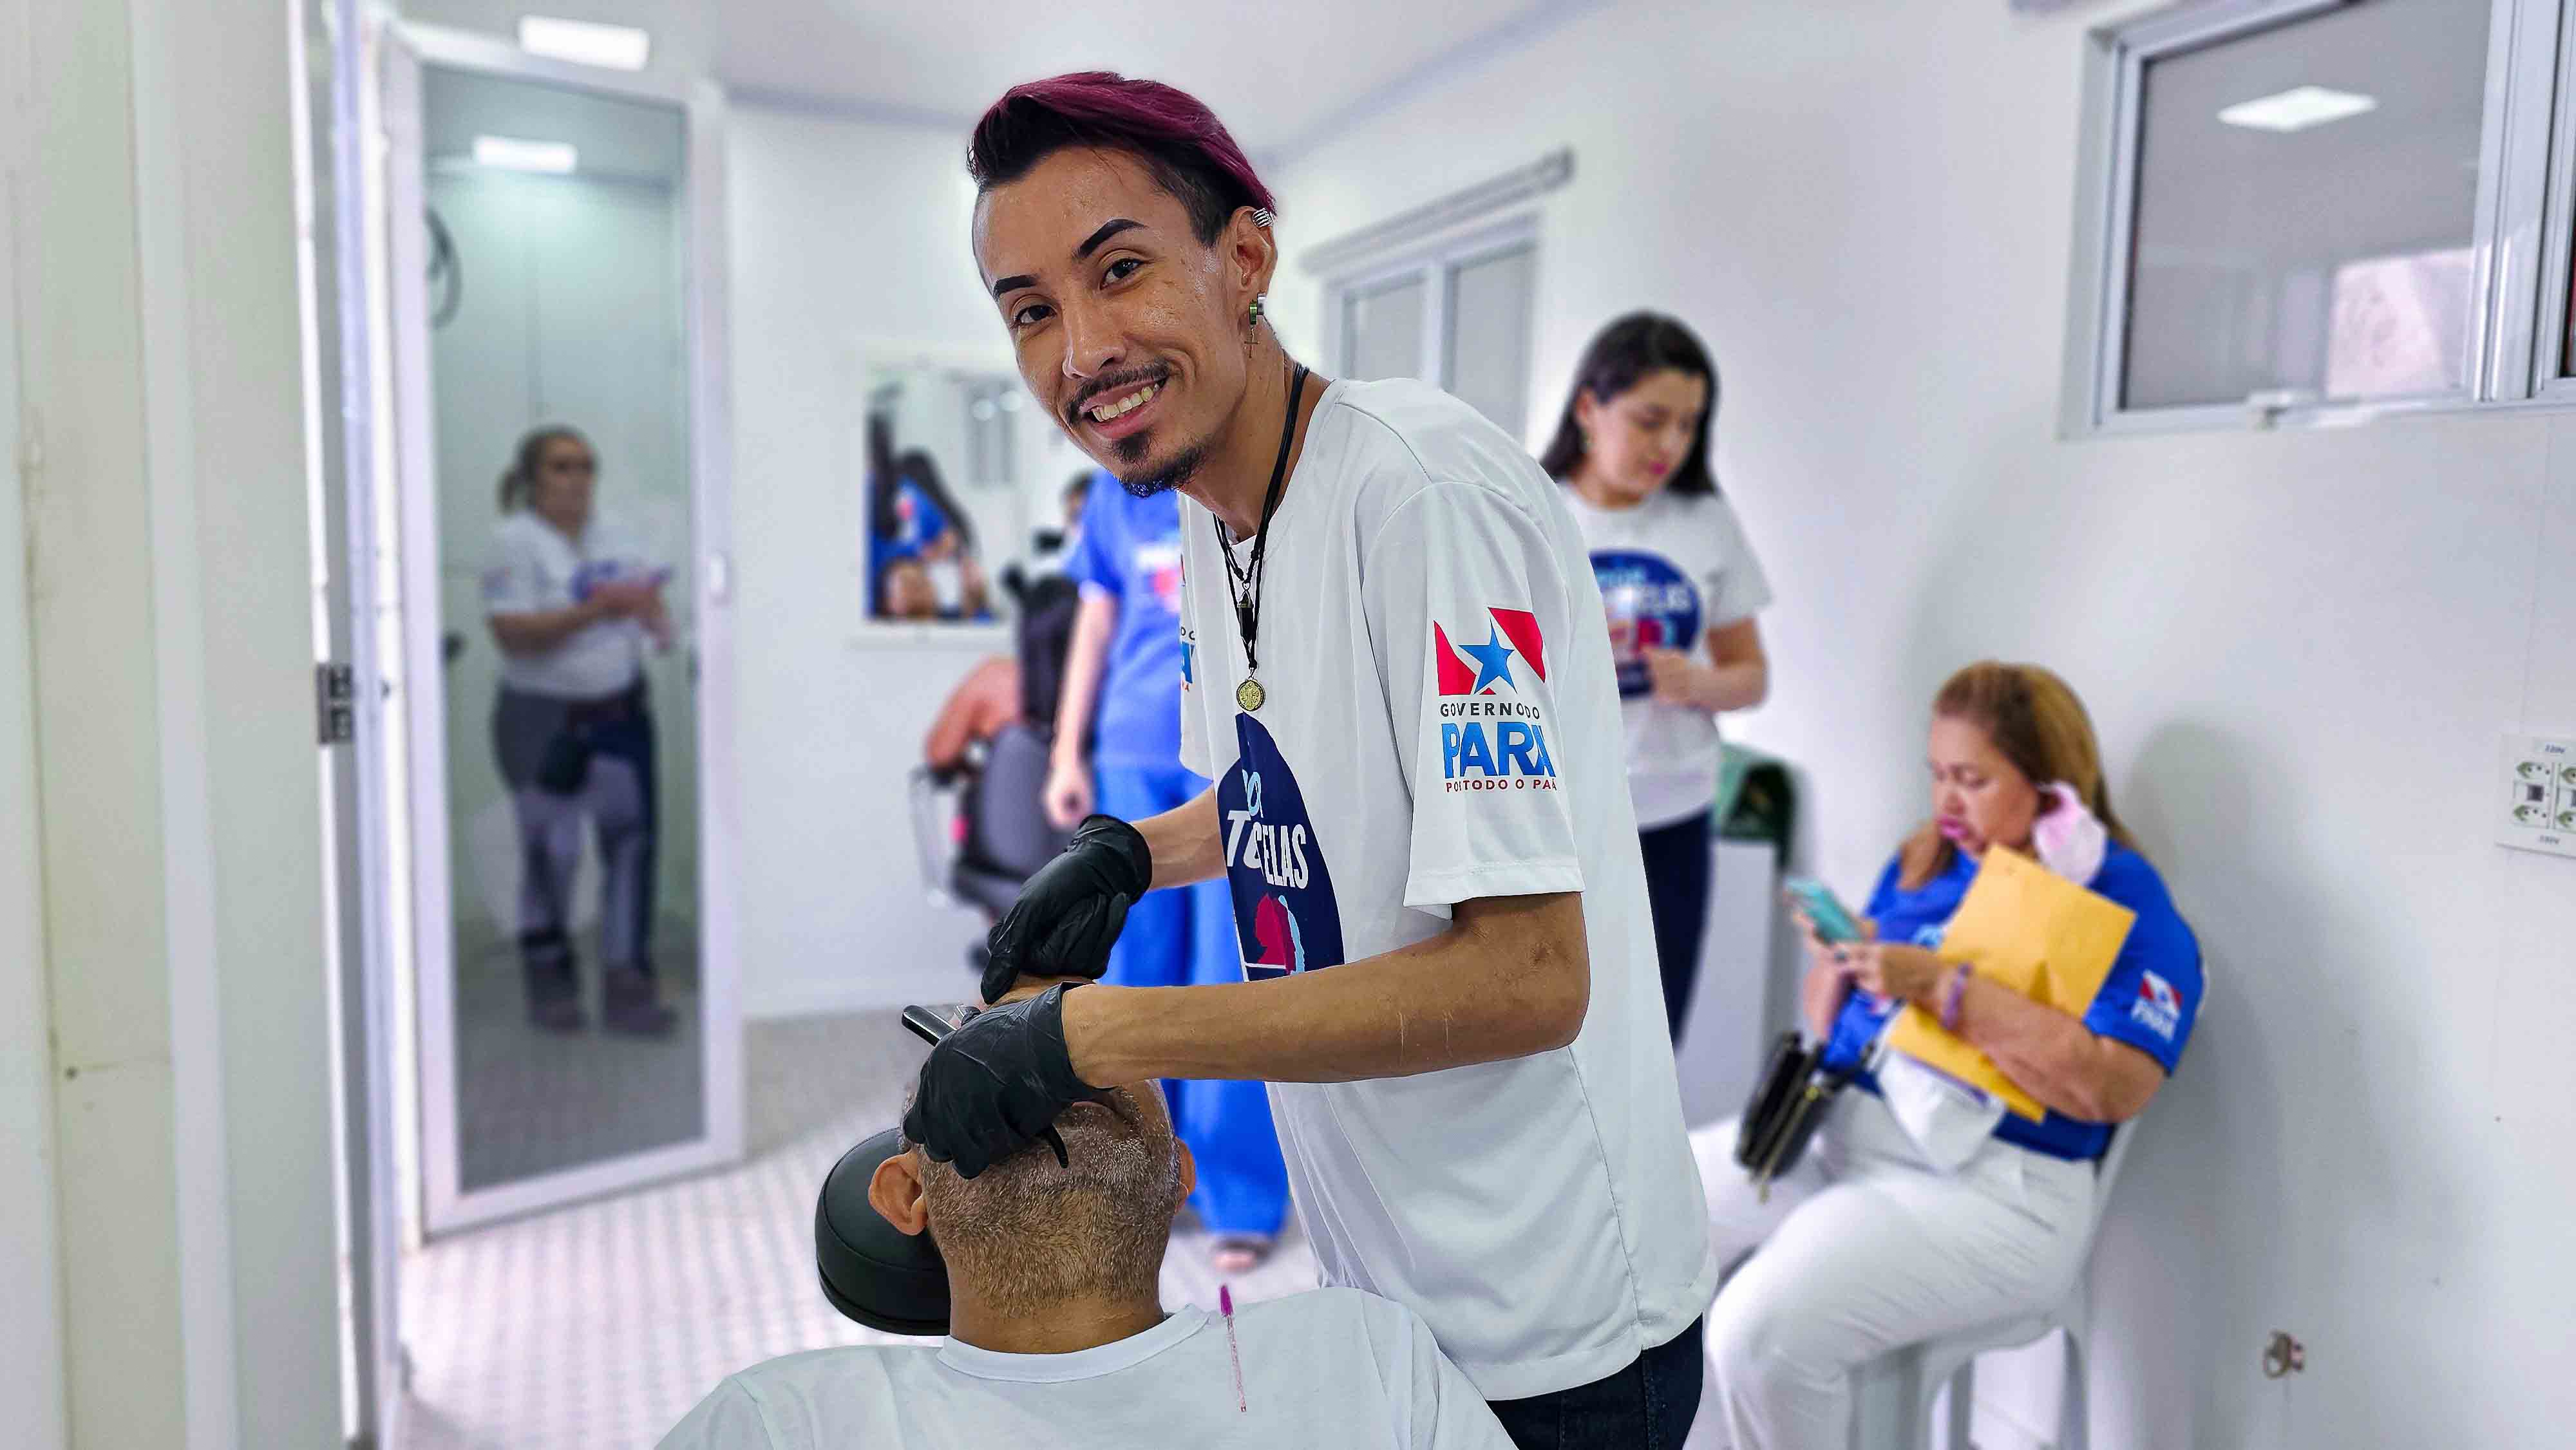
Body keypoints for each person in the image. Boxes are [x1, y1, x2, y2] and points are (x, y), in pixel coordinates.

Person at [904, 73, 1714, 1448]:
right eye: (1031, 310)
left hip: (1552, 1314)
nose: (1082, 347)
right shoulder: (1208, 512)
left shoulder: (1421, 497)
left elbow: (1530, 974)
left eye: (1119, 270)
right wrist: (1128, 854)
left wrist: (1095, 1033)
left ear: (1245, 258)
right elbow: (1282, 781)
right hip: (1390, 1275)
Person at [1690, 662, 2204, 1450]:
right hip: (1836, 1135)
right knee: (1645, 1225)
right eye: (1937, 774)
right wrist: (1844, 961)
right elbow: (1831, 1024)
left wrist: (1941, 985)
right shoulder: (1926, 858)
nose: (1946, 801)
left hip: (1991, 1188)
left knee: (1757, 1335)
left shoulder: (2118, 896)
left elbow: (2112, 1085)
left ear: (2051, 783)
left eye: (1972, 779)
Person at [659, 982, 1514, 1450]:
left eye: (1081, 1040)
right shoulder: (787, 1423)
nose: (1048, 1066)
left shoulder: (1361, 1352)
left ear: (1178, 1176)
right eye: (995, 1045)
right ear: (907, 1194)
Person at [1046, 465, 1291, 1272]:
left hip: (1234, 749)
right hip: (1132, 749)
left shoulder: (1250, 476)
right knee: (1132, 975)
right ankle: (1142, 1174)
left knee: (1229, 972)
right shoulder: (1114, 495)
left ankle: (1238, 1193)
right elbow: (1096, 621)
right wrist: (1067, 751)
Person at [1543, 314, 1772, 1044]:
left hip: (1675, 812)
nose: (1669, 445)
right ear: (1589, 408)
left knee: (1654, 1034)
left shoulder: (1704, 522)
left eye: (1687, 425)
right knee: (1554, 1036)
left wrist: (1699, 684)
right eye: (1650, 421)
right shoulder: (1533, 508)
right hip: (1559, 816)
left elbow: (1751, 677)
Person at [481, 424, 677, 1035]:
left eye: (586, 466)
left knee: (631, 849)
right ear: (532, 477)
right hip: (542, 721)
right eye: (562, 466)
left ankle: (627, 985)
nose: (577, 479)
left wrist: (652, 612)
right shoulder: (513, 541)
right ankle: (551, 986)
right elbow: (511, 633)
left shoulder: (616, 535)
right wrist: (600, 608)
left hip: (621, 715)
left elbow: (656, 621)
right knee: (553, 853)